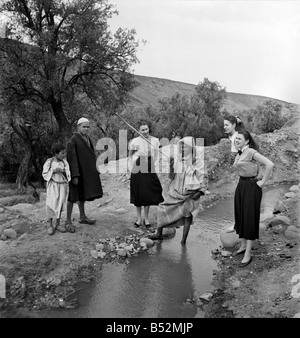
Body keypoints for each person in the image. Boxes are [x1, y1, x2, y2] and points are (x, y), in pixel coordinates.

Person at [149, 136, 208, 245]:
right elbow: (172, 176)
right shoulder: (177, 158)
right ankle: (159, 234)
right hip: (176, 192)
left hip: (189, 194)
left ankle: (183, 241)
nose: (182, 149)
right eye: (181, 147)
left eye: (184, 147)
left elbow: (202, 177)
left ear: (191, 148)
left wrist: (199, 192)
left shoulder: (197, 161)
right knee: (162, 208)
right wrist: (171, 167)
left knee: (187, 216)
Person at [233, 130, 274, 267]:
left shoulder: (250, 152)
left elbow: (269, 164)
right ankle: (244, 245)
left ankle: (248, 253)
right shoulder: (240, 153)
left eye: (239, 138)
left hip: (251, 187)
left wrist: (263, 182)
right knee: (241, 215)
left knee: (249, 218)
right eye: (236, 138)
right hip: (241, 186)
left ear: (247, 141)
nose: (236, 140)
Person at [66, 117, 103, 232]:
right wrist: (75, 175)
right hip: (77, 173)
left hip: (86, 172)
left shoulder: (86, 138)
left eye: (88, 127)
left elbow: (90, 154)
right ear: (78, 127)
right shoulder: (73, 140)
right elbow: (71, 158)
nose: (86, 129)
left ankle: (82, 217)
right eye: (84, 126)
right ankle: (68, 221)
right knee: (72, 197)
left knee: (82, 195)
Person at [128, 120, 164, 228]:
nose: (145, 131)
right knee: (138, 192)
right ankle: (139, 219)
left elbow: (157, 154)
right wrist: (132, 167)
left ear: (149, 129)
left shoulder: (155, 140)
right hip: (138, 166)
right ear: (139, 131)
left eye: (146, 129)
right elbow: (130, 155)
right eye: (142, 130)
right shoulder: (134, 141)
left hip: (149, 166)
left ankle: (146, 219)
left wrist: (153, 164)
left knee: (148, 192)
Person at [42, 143, 71, 235]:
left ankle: (57, 224)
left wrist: (63, 172)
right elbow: (44, 174)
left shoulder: (64, 162)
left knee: (60, 204)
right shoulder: (49, 162)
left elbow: (68, 174)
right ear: (55, 153)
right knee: (51, 203)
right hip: (53, 185)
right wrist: (53, 171)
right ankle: (50, 224)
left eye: (65, 153)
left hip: (62, 186)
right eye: (62, 153)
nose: (64, 155)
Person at [223, 115, 245, 232]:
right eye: (224, 125)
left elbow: (243, 154)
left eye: (227, 125)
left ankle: (238, 226)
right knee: (239, 199)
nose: (224, 127)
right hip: (241, 173)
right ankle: (239, 225)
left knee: (239, 200)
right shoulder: (235, 137)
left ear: (234, 125)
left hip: (242, 174)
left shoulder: (237, 138)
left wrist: (235, 163)